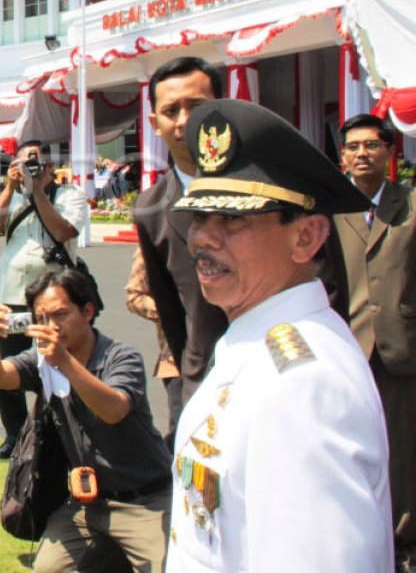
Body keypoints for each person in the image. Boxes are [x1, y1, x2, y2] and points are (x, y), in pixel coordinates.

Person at [167, 98, 392, 571]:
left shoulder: (301, 384)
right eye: (201, 217)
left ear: (306, 237)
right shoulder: (253, 343)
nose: (203, 238)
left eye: (233, 219)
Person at [0, 268, 173, 572]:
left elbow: (114, 410)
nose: (52, 326)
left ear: (88, 310)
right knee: (47, 570)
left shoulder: (121, 356)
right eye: (42, 318)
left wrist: (64, 362)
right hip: (87, 503)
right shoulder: (44, 360)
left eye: (61, 315)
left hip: (144, 500)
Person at [334, 113, 416, 570]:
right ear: (342, 156)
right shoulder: (330, 210)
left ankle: (402, 541)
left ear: (389, 151)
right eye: (353, 147)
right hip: (349, 350)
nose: (361, 153)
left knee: (402, 450)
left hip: (402, 349)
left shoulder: (411, 204)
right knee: (351, 446)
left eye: (371, 145)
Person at [131, 57, 226, 434]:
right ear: (155, 124)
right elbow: (172, 315)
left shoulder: (272, 186)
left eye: (197, 106)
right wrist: (191, 377)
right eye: (171, 111)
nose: (185, 120)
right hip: (203, 380)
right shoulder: (151, 209)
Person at [0, 140, 88, 458]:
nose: (31, 168)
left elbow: (63, 232)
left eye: (36, 162)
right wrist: (10, 186)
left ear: (49, 167)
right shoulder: (14, 196)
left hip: (54, 302)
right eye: (24, 163)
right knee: (7, 369)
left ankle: (61, 437)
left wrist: (37, 192)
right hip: (12, 296)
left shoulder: (68, 195)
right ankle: (14, 437)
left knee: (57, 367)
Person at [124, 246, 181, 431]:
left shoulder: (213, 240)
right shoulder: (153, 244)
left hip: (225, 353)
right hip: (175, 359)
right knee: (182, 431)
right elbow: (135, 296)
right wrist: (170, 310)